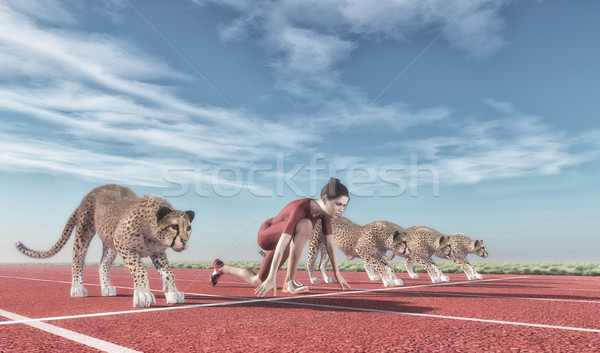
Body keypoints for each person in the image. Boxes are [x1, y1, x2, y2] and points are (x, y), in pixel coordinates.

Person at [210, 177, 351, 297]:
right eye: (338, 204)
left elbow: (330, 245)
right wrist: (273, 277)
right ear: (325, 199)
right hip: (267, 234)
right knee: (306, 225)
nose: (341, 209)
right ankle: (290, 281)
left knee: (258, 281)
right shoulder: (301, 207)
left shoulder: (326, 214)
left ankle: (220, 267)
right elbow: (283, 243)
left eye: (344, 205)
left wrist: (337, 272)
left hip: (284, 241)